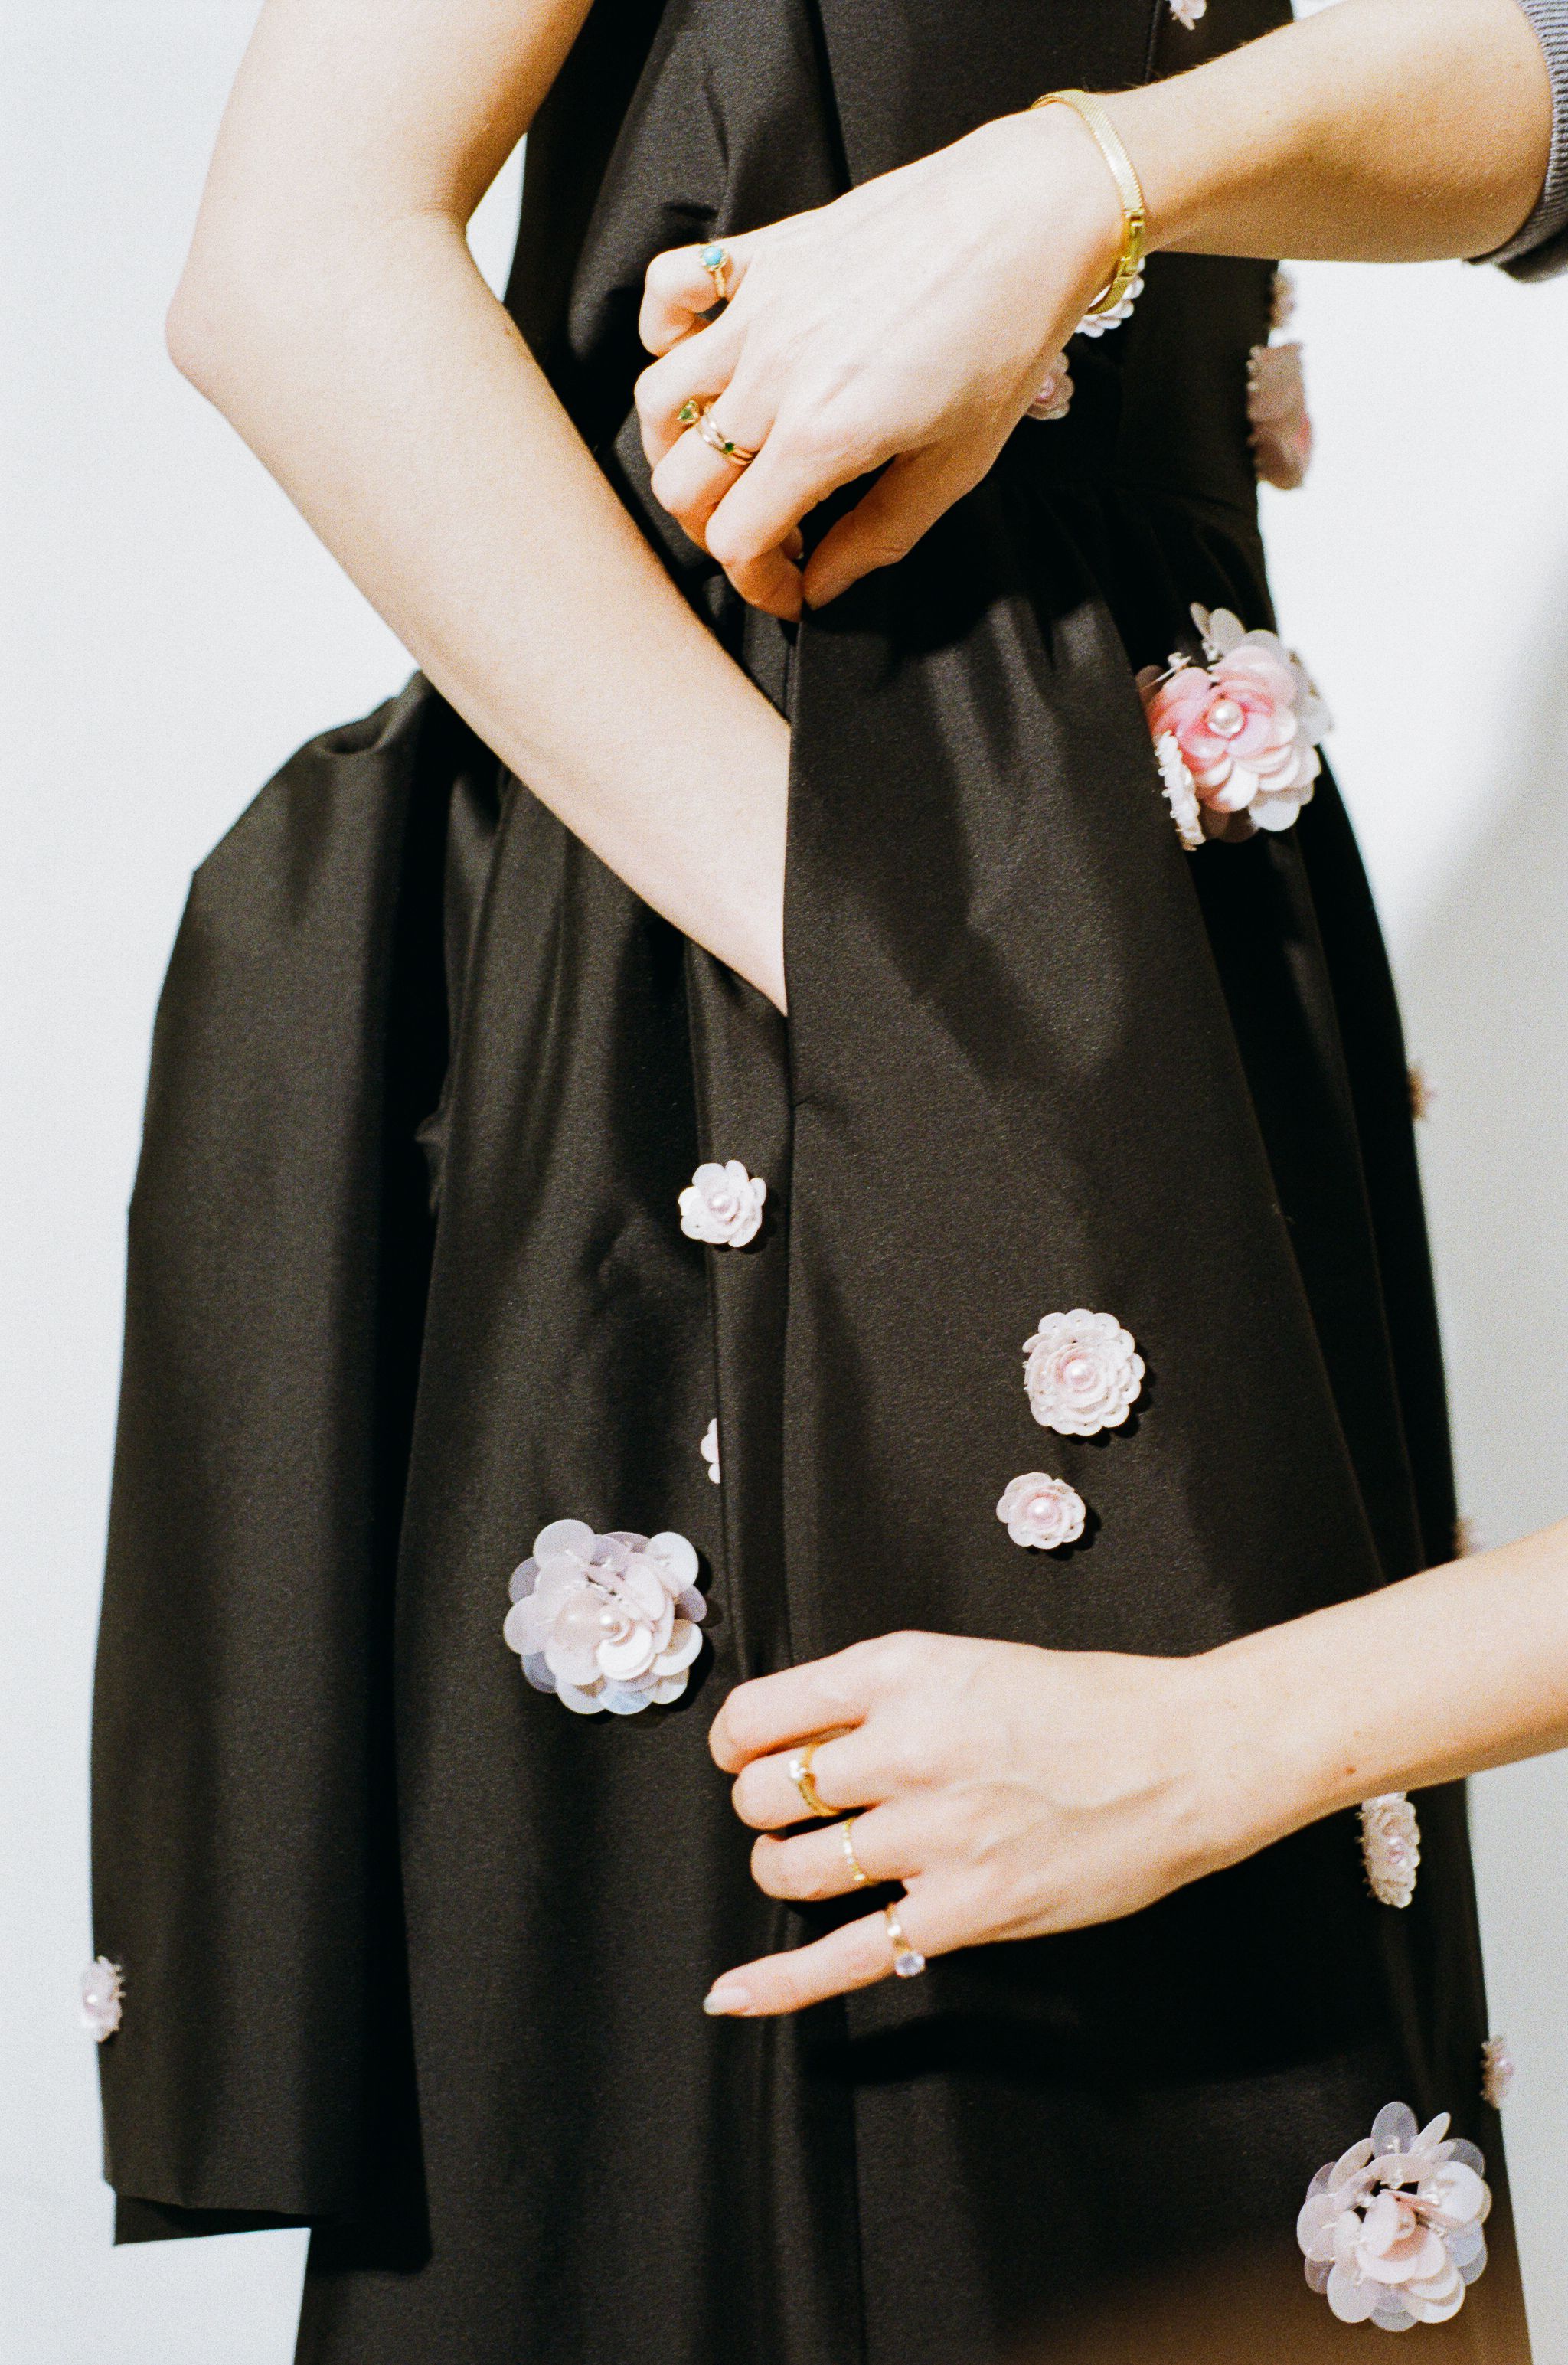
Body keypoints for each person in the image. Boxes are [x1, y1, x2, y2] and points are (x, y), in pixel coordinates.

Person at [88, 0, 1568, 2358]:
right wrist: (875, 958)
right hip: (792, 942)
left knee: (1210, 2066)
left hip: (1141, 909)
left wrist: (1088, 184)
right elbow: (295, 257)